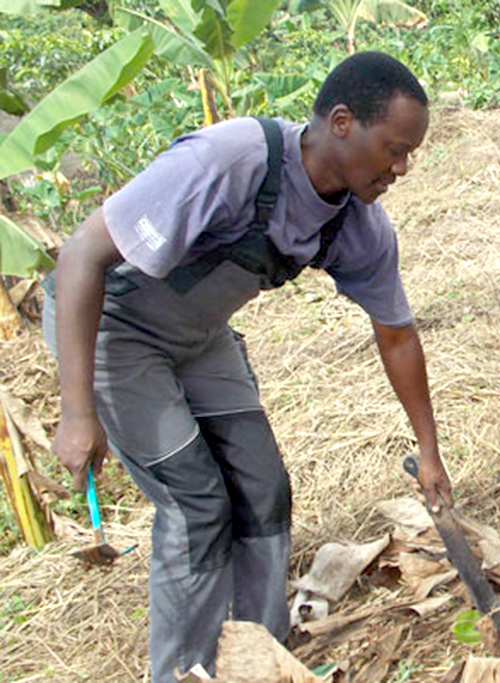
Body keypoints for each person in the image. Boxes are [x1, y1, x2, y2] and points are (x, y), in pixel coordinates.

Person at [43, 51, 453, 681]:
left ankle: (263, 659)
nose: (402, 168)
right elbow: (79, 258)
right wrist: (78, 410)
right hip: (114, 332)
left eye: (409, 154)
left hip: (198, 338)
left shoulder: (359, 224)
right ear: (341, 122)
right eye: (394, 150)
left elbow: (396, 335)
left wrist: (428, 450)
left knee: (264, 490)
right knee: (196, 504)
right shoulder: (231, 159)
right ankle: (185, 671)